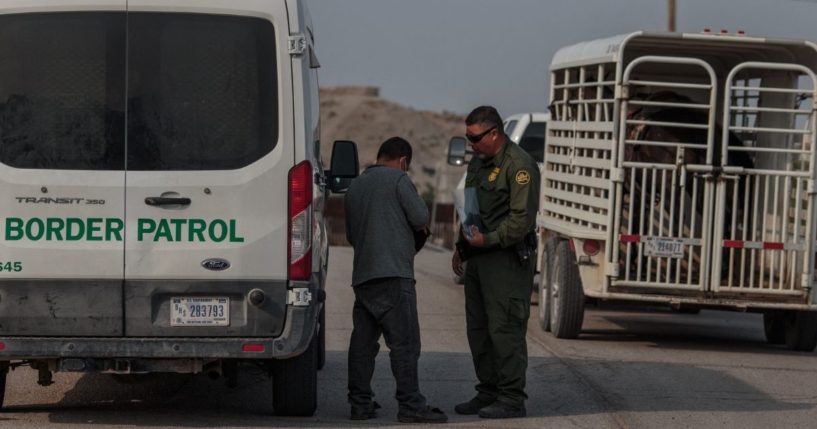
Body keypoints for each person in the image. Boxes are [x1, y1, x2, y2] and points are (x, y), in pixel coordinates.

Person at [344, 136, 447, 424]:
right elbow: (420, 215)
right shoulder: (399, 181)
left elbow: (352, 235)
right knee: (405, 345)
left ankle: (360, 404)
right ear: (403, 161)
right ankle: (411, 406)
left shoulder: (355, 186)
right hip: (394, 276)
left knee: (363, 345)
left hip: (363, 278)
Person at [452, 106, 540, 419]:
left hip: (505, 260)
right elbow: (470, 207)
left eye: (475, 137)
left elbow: (521, 222)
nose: (471, 144)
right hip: (478, 258)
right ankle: (488, 391)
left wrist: (486, 241)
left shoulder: (519, 166)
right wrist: (461, 246)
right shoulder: (479, 163)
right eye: (467, 137)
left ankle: (511, 398)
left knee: (504, 328)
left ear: (494, 133)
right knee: (479, 329)